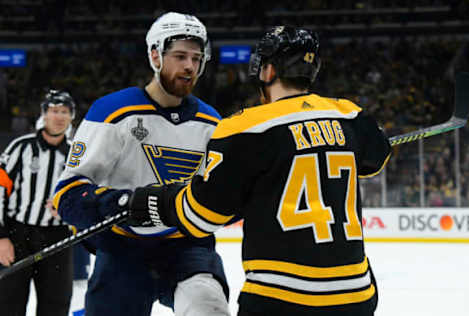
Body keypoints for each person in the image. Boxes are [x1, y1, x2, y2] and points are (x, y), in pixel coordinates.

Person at [126, 26, 392, 315]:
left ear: (267, 72)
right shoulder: (349, 115)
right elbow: (375, 158)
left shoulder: (245, 128)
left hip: (280, 296)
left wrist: (156, 201)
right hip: (355, 294)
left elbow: (200, 217)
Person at [52, 12, 230, 316]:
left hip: (187, 245)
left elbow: (220, 196)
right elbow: (67, 195)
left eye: (197, 58)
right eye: (180, 56)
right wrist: (121, 203)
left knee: (208, 306)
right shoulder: (113, 112)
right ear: (155, 55)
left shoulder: (212, 122)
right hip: (123, 248)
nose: (190, 66)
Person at [0, 89, 76, 316]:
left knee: (56, 304)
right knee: (8, 304)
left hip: (58, 237)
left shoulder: (76, 154)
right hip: (17, 234)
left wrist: (67, 208)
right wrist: (1, 236)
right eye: (54, 111)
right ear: (44, 114)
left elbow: (87, 194)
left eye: (65, 111)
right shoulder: (20, 148)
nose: (59, 116)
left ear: (72, 117)